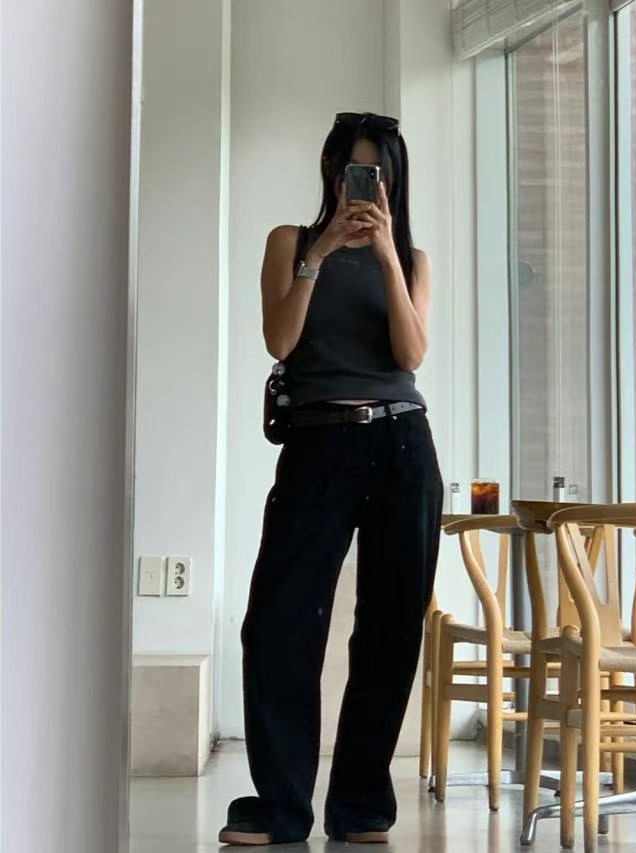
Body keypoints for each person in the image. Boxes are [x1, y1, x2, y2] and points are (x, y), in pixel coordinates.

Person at [219, 111, 443, 846]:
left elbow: (410, 356)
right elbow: (280, 339)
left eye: (378, 173)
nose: (364, 186)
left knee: (389, 627)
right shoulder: (289, 242)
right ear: (331, 173)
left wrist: (385, 256)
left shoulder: (412, 259)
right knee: (278, 622)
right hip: (318, 444)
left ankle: (362, 805)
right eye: (355, 171)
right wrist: (320, 252)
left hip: (403, 445)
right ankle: (281, 806)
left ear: (394, 181)